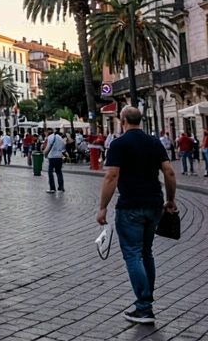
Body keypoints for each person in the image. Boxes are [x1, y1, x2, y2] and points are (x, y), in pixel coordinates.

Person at [98, 106, 178, 325]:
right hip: (154, 204)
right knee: (146, 253)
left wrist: (103, 206)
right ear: (140, 120)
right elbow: (169, 172)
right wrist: (170, 199)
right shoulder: (154, 142)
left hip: (130, 205)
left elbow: (112, 175)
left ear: (122, 120)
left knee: (132, 254)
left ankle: (144, 307)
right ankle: (146, 303)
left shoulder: (118, 144)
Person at [44, 128, 66, 193]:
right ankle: (61, 187)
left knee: (50, 172)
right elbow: (64, 144)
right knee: (59, 171)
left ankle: (52, 187)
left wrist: (45, 153)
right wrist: (59, 150)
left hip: (52, 156)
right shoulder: (59, 137)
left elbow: (47, 147)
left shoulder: (49, 138)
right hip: (59, 156)